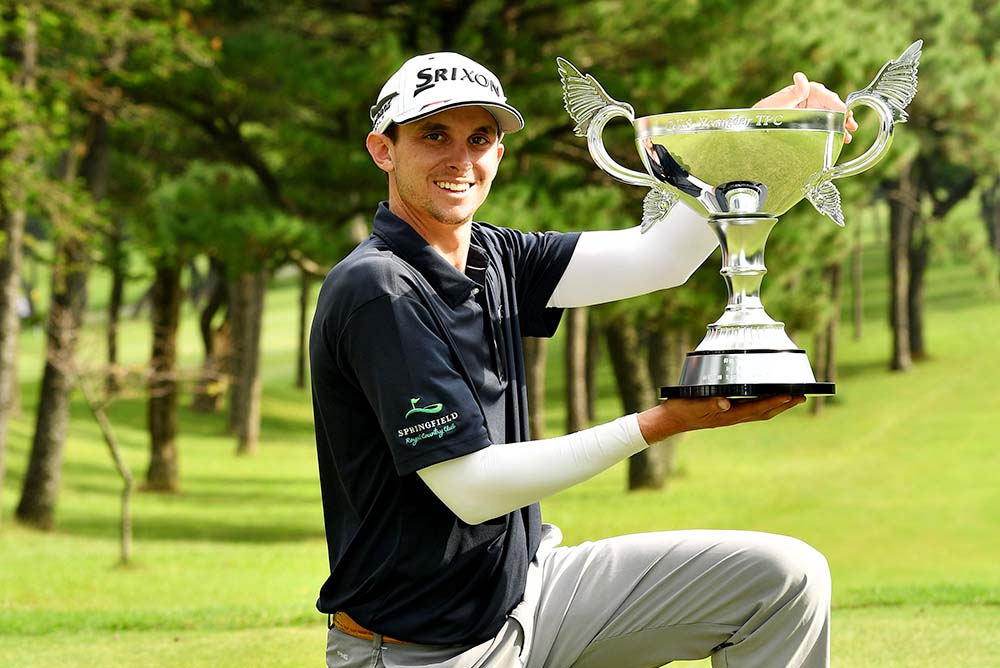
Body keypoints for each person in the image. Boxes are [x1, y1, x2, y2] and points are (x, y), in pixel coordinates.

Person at [310, 52, 857, 668]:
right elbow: (472, 489)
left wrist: (751, 145)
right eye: (433, 135)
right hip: (424, 649)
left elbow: (661, 259)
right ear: (384, 150)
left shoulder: (496, 256)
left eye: (479, 138)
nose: (459, 159)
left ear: (499, 154)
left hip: (530, 595)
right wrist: (658, 424)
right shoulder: (378, 289)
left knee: (785, 578)